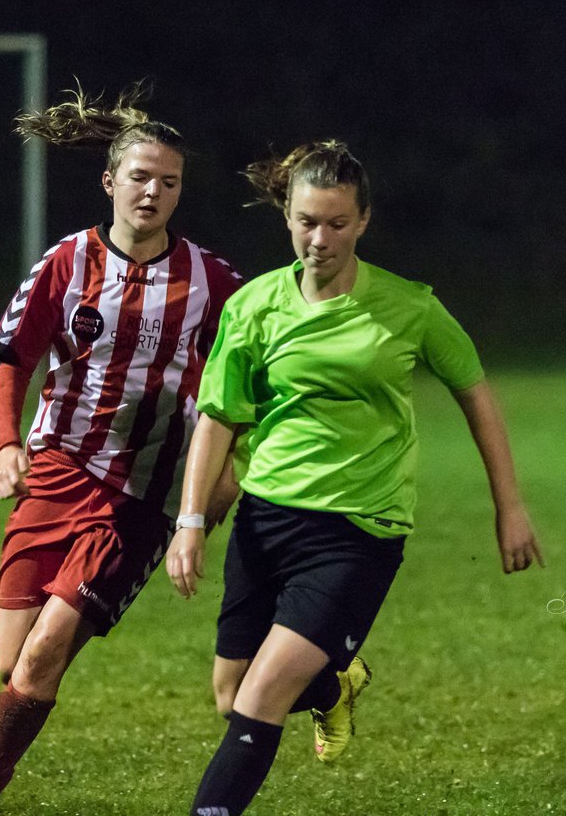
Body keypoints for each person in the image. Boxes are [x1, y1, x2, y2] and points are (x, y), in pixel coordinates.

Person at [166, 140, 544, 816]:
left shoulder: (409, 307)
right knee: (230, 693)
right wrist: (191, 521)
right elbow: (219, 418)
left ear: (364, 221)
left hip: (358, 531)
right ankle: (333, 687)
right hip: (265, 519)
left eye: (338, 223)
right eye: (308, 221)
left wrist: (509, 507)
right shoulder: (253, 307)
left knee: (258, 700)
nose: (321, 238)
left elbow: (476, 392)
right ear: (286, 215)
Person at [0, 85, 243, 816]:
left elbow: (262, 359)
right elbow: (15, 361)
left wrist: (213, 492)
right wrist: (5, 445)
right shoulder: (66, 263)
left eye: (169, 182)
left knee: (42, 658)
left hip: (140, 498)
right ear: (110, 181)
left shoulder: (213, 282)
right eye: (141, 177)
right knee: (14, 666)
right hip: (55, 472)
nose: (154, 192)